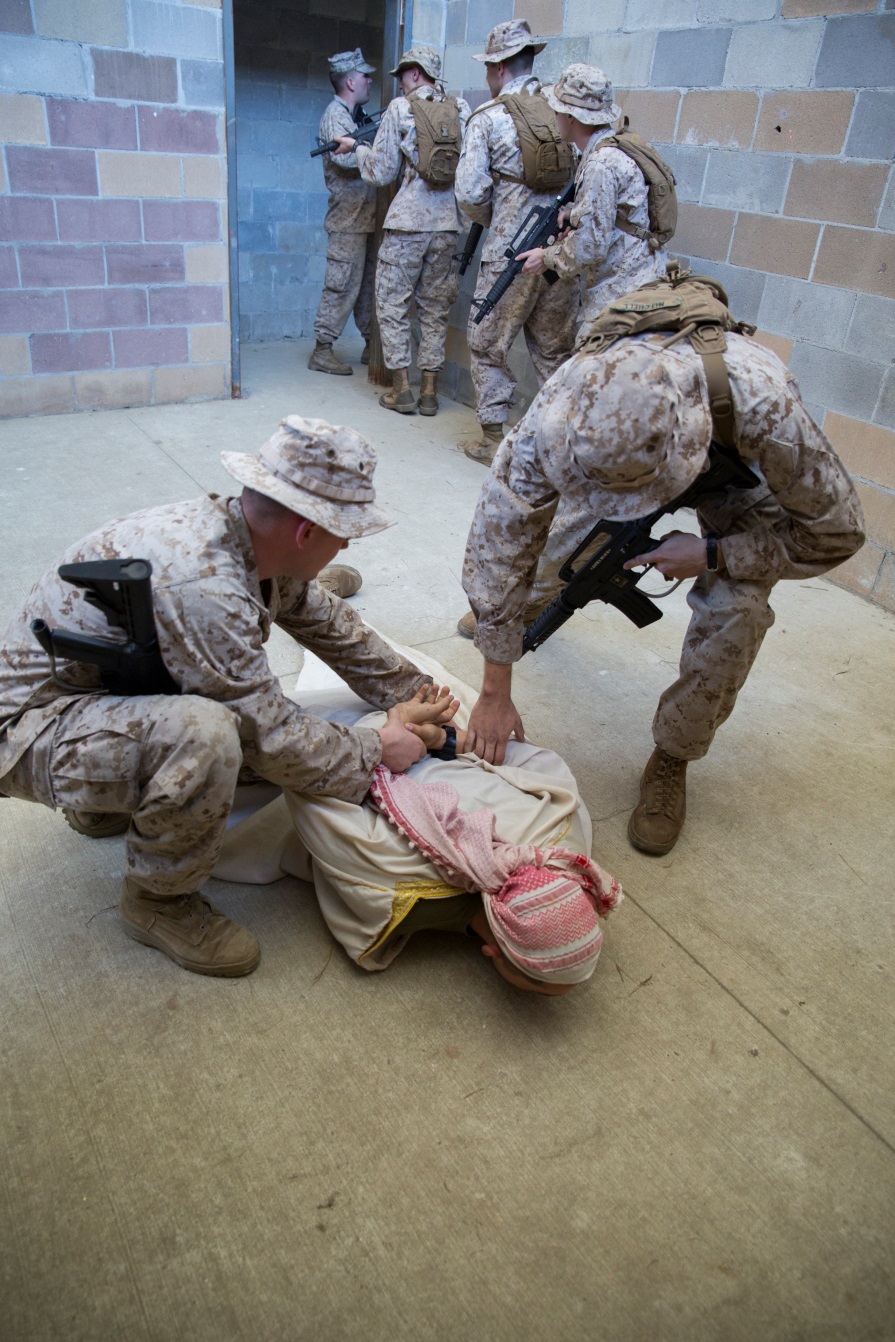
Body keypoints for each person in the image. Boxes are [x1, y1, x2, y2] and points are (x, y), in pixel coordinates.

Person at [0, 417, 459, 977]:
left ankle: (102, 804)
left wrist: (422, 696)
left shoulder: (249, 538)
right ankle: (158, 901)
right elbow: (269, 735)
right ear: (305, 532)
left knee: (244, 728)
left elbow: (329, 623)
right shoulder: (204, 586)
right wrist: (377, 749)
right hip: (27, 731)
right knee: (210, 737)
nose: (347, 543)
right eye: (345, 531)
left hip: (94, 695)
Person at [458, 332, 865, 855]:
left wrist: (714, 553)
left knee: (736, 612)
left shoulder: (766, 410)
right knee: (553, 556)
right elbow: (499, 543)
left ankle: (674, 754)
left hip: (735, 465)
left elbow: (838, 533)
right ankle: (524, 610)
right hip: (616, 456)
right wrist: (495, 681)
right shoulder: (556, 419)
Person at [213, 654, 621, 996]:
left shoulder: (568, 833)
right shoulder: (393, 889)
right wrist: (419, 736)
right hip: (376, 736)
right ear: (492, 952)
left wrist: (419, 734)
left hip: (390, 733)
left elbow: (528, 756)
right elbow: (314, 798)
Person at [454, 20, 578, 464]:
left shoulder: (488, 118)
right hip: (558, 252)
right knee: (554, 352)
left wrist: (500, 219)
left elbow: (469, 192)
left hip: (510, 253)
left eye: (489, 68)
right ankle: (563, 446)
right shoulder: (563, 111)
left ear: (500, 67)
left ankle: (492, 438)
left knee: (488, 343)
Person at [333, 45, 471, 417]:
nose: (399, 84)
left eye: (402, 77)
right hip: (448, 225)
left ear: (414, 74)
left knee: (392, 305)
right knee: (434, 308)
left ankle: (401, 391)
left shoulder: (400, 108)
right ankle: (429, 392)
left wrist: (358, 149)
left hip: (408, 223)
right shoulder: (461, 110)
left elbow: (380, 173)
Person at [516, 63, 668, 329]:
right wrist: (573, 214)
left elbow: (590, 247)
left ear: (571, 116)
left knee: (589, 354)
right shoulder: (616, 145)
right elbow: (615, 213)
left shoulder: (602, 163)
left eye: (557, 110)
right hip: (636, 277)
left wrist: (547, 257)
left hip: (623, 289)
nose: (555, 117)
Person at [308, 49, 379, 377]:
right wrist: (373, 149)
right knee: (342, 283)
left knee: (366, 286)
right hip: (348, 218)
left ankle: (370, 344)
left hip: (363, 218)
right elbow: (346, 160)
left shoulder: (355, 117)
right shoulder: (337, 116)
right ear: (350, 81)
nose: (369, 80)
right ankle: (323, 348)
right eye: (364, 76)